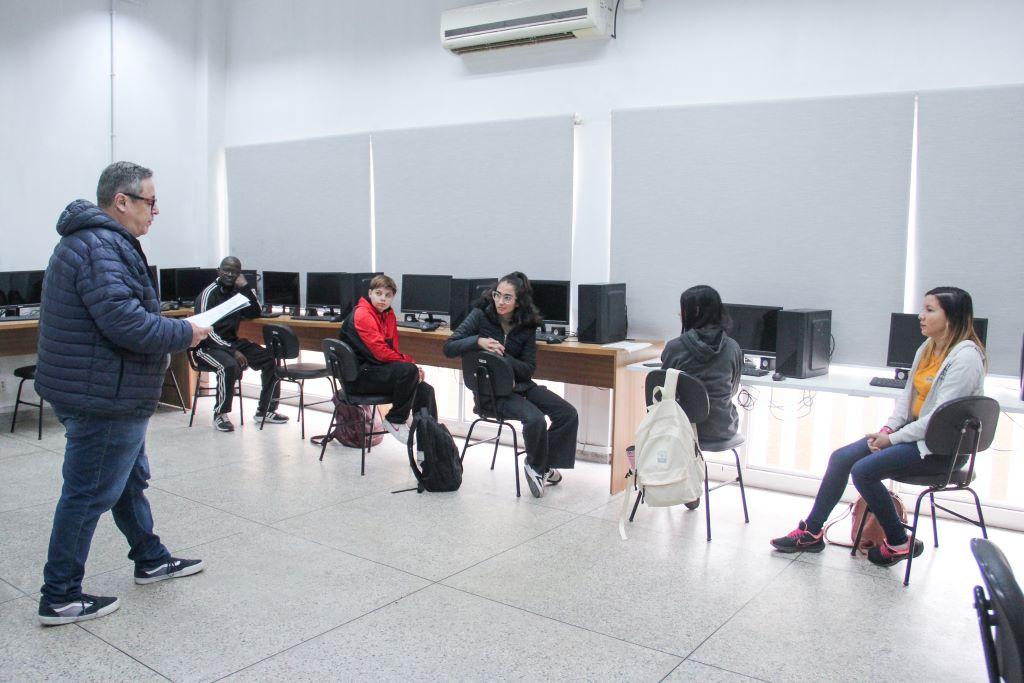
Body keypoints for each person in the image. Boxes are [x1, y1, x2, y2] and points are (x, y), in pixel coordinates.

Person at [34, 162, 212, 626]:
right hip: (103, 396)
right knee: (88, 493)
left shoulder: (91, 241)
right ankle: (59, 595)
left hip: (100, 388)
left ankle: (150, 558)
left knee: (128, 482)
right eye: (150, 202)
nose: (155, 211)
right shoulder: (100, 247)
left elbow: (118, 313)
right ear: (122, 201)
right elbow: (125, 322)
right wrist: (185, 332)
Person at [770, 286, 987, 566]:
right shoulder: (927, 348)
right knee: (841, 458)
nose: (920, 316)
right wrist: (887, 431)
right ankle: (811, 532)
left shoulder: (966, 358)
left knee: (864, 471)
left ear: (952, 317)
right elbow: (906, 401)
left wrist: (892, 440)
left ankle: (898, 541)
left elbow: (938, 420)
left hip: (941, 449)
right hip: (914, 438)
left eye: (929, 310)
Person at [443, 272, 578, 498]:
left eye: (507, 298)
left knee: (567, 413)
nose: (500, 302)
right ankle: (535, 467)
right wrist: (478, 341)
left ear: (518, 301)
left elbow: (528, 369)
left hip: (522, 387)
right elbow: (449, 347)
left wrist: (503, 358)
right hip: (492, 394)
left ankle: (543, 465)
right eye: (497, 295)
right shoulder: (480, 316)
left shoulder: (527, 325)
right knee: (535, 418)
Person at [339, 274, 437, 451]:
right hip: (358, 379)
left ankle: (428, 450)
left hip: (374, 371)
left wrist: (411, 369)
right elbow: (381, 353)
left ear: (392, 297)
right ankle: (395, 419)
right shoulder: (362, 314)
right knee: (409, 371)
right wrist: (411, 365)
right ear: (370, 293)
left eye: (388, 295)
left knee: (425, 389)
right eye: (378, 293)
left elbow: (392, 349)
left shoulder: (387, 314)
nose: (383, 299)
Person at [193, 256, 289, 432]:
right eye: (226, 270)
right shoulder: (208, 294)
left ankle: (265, 411)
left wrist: (245, 287)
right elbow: (204, 330)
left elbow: (255, 312)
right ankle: (220, 414)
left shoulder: (237, 292)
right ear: (218, 271)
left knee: (269, 360)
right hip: (206, 346)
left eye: (235, 272)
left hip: (231, 343)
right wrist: (232, 351)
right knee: (228, 365)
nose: (230, 274)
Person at [661, 285, 743, 446]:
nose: (679, 314)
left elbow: (665, 392)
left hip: (683, 429)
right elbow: (733, 390)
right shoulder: (733, 347)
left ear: (696, 311)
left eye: (683, 309)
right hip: (723, 429)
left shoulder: (674, 347)